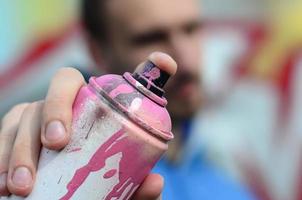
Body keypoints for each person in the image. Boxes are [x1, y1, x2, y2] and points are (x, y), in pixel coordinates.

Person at [0, 0, 255, 199]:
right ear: (96, 51)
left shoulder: (227, 181)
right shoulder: (63, 161)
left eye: (191, 29)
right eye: (151, 37)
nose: (183, 60)